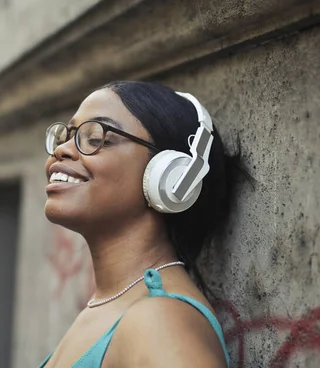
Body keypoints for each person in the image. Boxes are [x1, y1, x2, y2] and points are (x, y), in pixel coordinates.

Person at [40, 81, 236, 367]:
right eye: (66, 136)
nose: (62, 150)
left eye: (95, 138)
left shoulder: (160, 324)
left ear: (171, 179)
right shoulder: (109, 307)